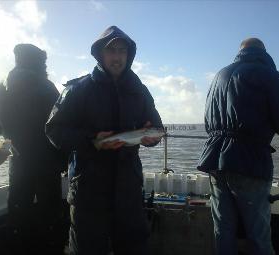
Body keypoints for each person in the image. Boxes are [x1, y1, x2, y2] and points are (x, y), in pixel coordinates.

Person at [46, 25, 163, 255]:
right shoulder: (78, 89)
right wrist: (91, 140)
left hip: (129, 189)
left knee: (135, 247)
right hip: (89, 190)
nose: (117, 56)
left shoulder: (140, 91)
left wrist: (152, 138)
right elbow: (53, 130)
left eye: (122, 51)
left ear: (129, 55)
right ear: (100, 53)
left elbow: (156, 126)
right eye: (111, 50)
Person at [197, 38, 279, 255]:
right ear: (263, 52)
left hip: (215, 162)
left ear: (240, 52)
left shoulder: (219, 75)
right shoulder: (270, 76)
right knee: (258, 236)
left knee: (223, 231)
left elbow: (208, 123)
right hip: (250, 163)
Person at [0, 44, 64, 254]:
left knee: (18, 213)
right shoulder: (48, 88)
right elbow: (60, 127)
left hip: (18, 162)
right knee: (50, 215)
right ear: (40, 62)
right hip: (48, 163)